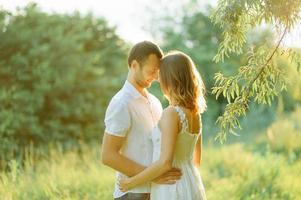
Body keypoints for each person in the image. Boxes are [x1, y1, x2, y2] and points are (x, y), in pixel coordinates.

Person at [119, 51, 207, 200]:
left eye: (160, 76)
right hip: (191, 181)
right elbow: (196, 160)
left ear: (169, 79)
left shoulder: (171, 114)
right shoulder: (196, 114)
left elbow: (165, 162)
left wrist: (131, 182)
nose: (158, 80)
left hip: (171, 186)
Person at [101, 41, 182, 200]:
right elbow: (108, 155)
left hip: (158, 191)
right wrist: (151, 176)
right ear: (134, 65)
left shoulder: (155, 102)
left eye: (158, 72)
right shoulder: (121, 103)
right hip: (133, 192)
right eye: (152, 71)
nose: (156, 77)